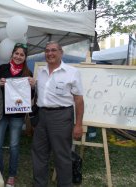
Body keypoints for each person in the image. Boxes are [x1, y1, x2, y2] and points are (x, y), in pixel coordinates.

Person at [32, 41, 84, 187]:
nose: (50, 53)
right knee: (39, 154)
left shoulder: (72, 72)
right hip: (42, 117)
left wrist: (78, 125)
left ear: (61, 52)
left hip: (62, 117)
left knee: (62, 156)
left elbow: (79, 100)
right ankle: (39, 184)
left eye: (54, 50)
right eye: (47, 51)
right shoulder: (41, 72)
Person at [0, 43, 36, 187]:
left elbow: (29, 97)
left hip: (17, 115)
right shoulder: (2, 69)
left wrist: (33, 86)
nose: (18, 56)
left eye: (21, 55)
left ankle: (11, 175)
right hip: (1, 114)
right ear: (12, 54)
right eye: (16, 53)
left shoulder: (28, 73)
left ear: (25, 57)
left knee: (14, 145)